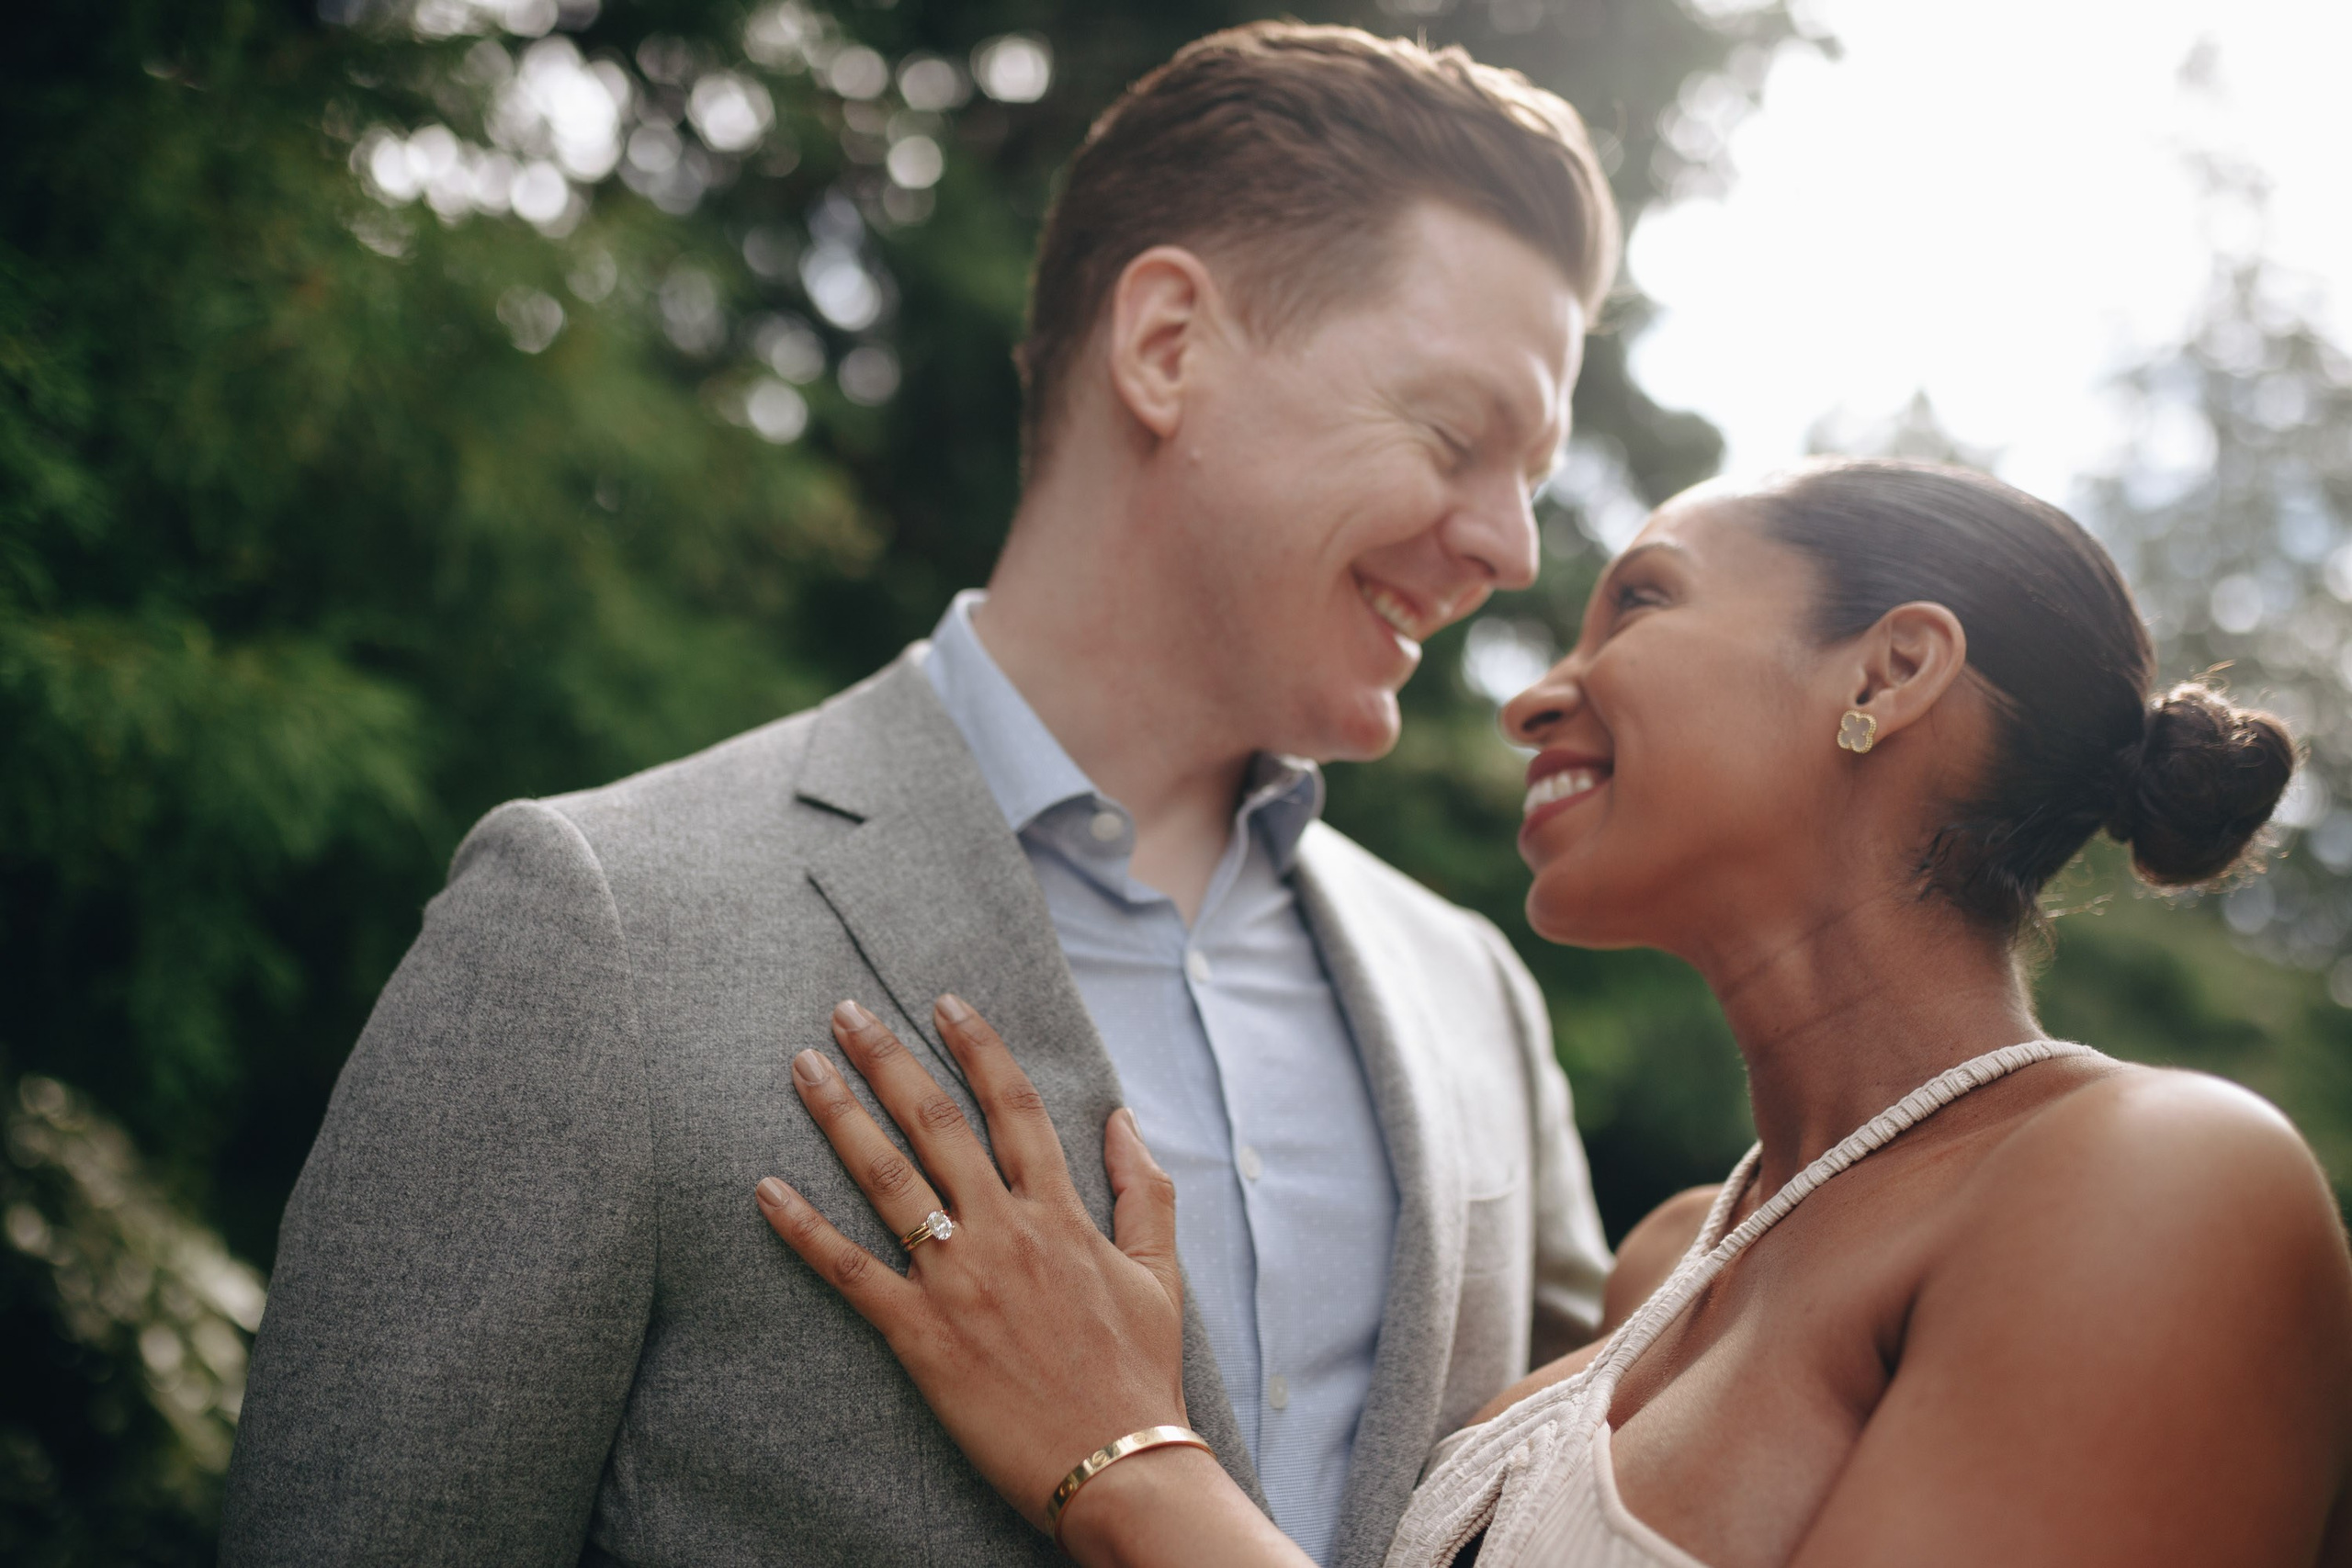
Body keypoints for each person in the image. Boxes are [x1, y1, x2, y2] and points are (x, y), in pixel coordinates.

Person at [221, 23, 1622, 1568]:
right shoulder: (598, 928)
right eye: (1454, 435)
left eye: (1535, 480)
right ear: (1167, 346)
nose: (1514, 547)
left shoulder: (1476, 999)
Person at [756, 458, 2352, 1568]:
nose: (1534, 691)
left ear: (1895, 669)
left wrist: (1120, 1456)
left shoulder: (2162, 1179)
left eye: (1640, 602)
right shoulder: (1664, 1263)